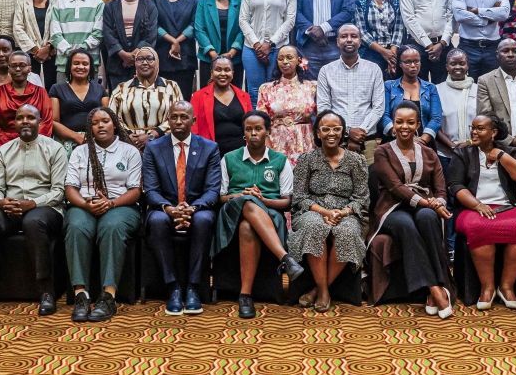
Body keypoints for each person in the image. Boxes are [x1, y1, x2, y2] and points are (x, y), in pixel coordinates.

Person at [213, 110, 305, 319]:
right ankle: (285, 257)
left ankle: (245, 296)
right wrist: (241, 195)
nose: (253, 133)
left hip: (269, 214)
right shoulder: (228, 158)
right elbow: (221, 197)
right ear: (243, 133)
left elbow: (286, 202)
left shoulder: (281, 161)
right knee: (246, 201)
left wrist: (262, 200)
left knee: (248, 225)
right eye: (249, 129)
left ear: (268, 132)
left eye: (258, 129)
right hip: (231, 216)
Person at [0, 104, 68, 316]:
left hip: (46, 207)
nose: (25, 121)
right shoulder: (5, 150)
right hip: (11, 206)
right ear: (15, 123)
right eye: (20, 118)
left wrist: (34, 203)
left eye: (31, 118)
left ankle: (45, 289)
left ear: (40, 122)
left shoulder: (54, 149)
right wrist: (0, 202)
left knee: (33, 222)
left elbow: (59, 191)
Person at [369, 103, 454, 316]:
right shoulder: (382, 151)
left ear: (418, 125)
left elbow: (441, 188)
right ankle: (434, 288)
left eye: (409, 122)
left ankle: (434, 287)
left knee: (427, 218)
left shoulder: (429, 152)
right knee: (406, 224)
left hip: (426, 205)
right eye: (399, 122)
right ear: (392, 125)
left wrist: (439, 203)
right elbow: (395, 188)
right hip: (391, 208)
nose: (404, 126)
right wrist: (428, 202)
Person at [141, 101, 222, 316]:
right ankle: (173, 287)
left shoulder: (209, 147)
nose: (178, 121)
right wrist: (169, 209)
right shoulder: (153, 148)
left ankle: (193, 287)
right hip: (164, 207)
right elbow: (150, 190)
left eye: (184, 117)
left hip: (197, 208)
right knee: (157, 220)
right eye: (174, 117)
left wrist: (191, 209)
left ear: (193, 121)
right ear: (168, 120)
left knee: (204, 220)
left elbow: (213, 190)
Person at [448, 114, 516, 310]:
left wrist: (502, 157)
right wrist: (477, 205)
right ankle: (487, 288)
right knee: (480, 227)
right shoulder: (463, 154)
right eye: (473, 127)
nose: (474, 132)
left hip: (506, 207)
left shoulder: (509, 152)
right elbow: (455, 185)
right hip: (471, 208)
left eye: (480, 128)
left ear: (493, 132)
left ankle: (506, 286)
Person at [64, 107, 141, 322]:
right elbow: (70, 187)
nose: (100, 125)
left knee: (111, 227)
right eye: (95, 122)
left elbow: (135, 190)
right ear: (90, 128)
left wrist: (112, 203)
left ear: (114, 124)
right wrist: (85, 205)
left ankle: (108, 296)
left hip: (121, 206)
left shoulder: (129, 151)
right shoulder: (80, 152)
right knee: (76, 226)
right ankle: (81, 294)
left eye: (105, 121)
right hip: (84, 205)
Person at [288, 110, 369, 313]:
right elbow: (299, 197)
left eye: (336, 129)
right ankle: (324, 291)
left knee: (347, 232)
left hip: (346, 213)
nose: (331, 133)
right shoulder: (306, 159)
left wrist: (343, 212)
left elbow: (362, 198)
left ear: (343, 132)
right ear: (317, 133)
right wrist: (325, 212)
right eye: (325, 129)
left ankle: (317, 290)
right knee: (315, 226)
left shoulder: (356, 160)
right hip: (312, 210)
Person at [316, 25, 384, 163]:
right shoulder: (326, 71)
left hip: (367, 140)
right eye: (344, 36)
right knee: (335, 183)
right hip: (335, 140)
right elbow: (323, 108)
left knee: (369, 182)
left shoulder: (374, 69)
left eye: (353, 36)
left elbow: (378, 107)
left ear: (360, 41)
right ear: (337, 41)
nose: (349, 40)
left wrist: (359, 133)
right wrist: (347, 131)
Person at [239, 0, 298, 99]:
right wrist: (257, 44)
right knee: (254, 91)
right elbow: (243, 20)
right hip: (252, 49)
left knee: (277, 90)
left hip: (278, 49)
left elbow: (290, 20)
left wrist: (270, 44)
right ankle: (257, 122)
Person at [108, 46, 184, 151]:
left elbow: (179, 116)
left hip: (164, 144)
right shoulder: (121, 88)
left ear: (157, 62)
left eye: (149, 58)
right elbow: (112, 117)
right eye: (140, 59)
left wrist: (152, 136)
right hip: (129, 146)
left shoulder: (171, 86)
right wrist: (129, 135)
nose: (144, 62)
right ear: (135, 63)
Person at [256, 44, 318, 167]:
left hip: (305, 141)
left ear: (299, 60)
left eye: (289, 57)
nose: (285, 62)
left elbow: (322, 118)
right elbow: (261, 122)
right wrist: (266, 145)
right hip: (276, 142)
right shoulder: (266, 88)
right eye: (281, 58)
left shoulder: (312, 87)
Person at [399, 0, 454, 84]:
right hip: (418, 45)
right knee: (418, 87)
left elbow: (451, 16)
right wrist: (429, 46)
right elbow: (408, 17)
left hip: (443, 45)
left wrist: (442, 44)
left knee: (443, 86)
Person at [451, 0, 509, 79]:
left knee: (493, 88)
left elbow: (504, 13)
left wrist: (476, 10)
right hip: (468, 47)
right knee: (468, 87)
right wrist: (489, 18)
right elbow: (460, 15)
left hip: (493, 48)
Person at [101, 0, 159, 90]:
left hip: (143, 64)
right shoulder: (111, 6)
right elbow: (107, 33)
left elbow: (151, 34)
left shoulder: (149, 6)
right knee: (117, 102)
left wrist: (135, 54)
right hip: (117, 62)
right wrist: (123, 54)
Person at [151, 0, 198, 99]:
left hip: (185, 56)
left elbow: (194, 23)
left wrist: (178, 41)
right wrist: (173, 41)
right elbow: (154, 23)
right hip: (163, 55)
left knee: (184, 100)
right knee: (163, 99)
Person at [0, 51, 54, 149]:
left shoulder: (41, 92)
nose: (18, 69)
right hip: (5, 147)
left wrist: (31, 143)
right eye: (14, 66)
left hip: (36, 147)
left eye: (22, 65)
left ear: (30, 69)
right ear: (8, 69)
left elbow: (46, 122)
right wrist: (11, 145)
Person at [49, 0, 104, 80]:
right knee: (63, 96)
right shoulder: (59, 3)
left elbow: (98, 32)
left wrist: (82, 49)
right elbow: (55, 34)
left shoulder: (97, 3)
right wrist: (69, 51)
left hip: (89, 62)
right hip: (64, 62)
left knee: (89, 97)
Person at [381, 46, 443, 145]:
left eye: (416, 61)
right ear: (400, 63)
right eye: (408, 62)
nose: (413, 65)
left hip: (423, 143)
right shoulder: (389, 86)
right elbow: (384, 115)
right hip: (393, 141)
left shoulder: (430, 88)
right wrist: (404, 137)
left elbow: (436, 119)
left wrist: (421, 141)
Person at [191, 56, 254, 153]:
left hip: (241, 154)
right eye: (218, 70)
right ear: (212, 73)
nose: (223, 74)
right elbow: (193, 129)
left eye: (227, 70)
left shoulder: (244, 96)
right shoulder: (198, 96)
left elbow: (251, 125)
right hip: (210, 153)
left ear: (232, 74)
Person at [195, 0, 245, 89]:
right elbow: (199, 29)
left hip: (235, 59)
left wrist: (232, 53)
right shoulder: (203, 3)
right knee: (207, 94)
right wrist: (213, 55)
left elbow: (243, 29)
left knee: (235, 94)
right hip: (208, 59)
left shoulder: (240, 3)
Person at [49, 50, 107, 153]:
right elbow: (54, 122)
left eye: (85, 64)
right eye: (76, 63)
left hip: (97, 142)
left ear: (90, 67)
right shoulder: (57, 89)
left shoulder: (100, 89)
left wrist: (92, 138)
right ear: (69, 66)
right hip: (66, 142)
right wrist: (76, 136)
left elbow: (107, 118)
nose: (80, 67)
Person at [13, 0, 59, 90]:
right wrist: (36, 51)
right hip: (29, 55)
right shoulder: (22, 0)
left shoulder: (59, 1)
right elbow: (17, 27)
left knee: (50, 91)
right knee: (29, 90)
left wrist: (48, 48)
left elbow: (61, 27)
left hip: (52, 55)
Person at [355, 0, 405, 78]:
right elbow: (362, 33)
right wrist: (383, 52)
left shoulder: (396, 2)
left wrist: (391, 56)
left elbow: (398, 31)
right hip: (369, 52)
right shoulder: (360, 3)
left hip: (393, 51)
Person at [436, 49, 478, 168]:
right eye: (453, 64)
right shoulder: (437, 90)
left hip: (474, 152)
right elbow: (434, 123)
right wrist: (453, 147)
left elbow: (485, 122)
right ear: (447, 67)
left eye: (462, 63)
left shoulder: (478, 89)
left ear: (468, 66)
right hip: (445, 154)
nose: (458, 67)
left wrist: (469, 143)